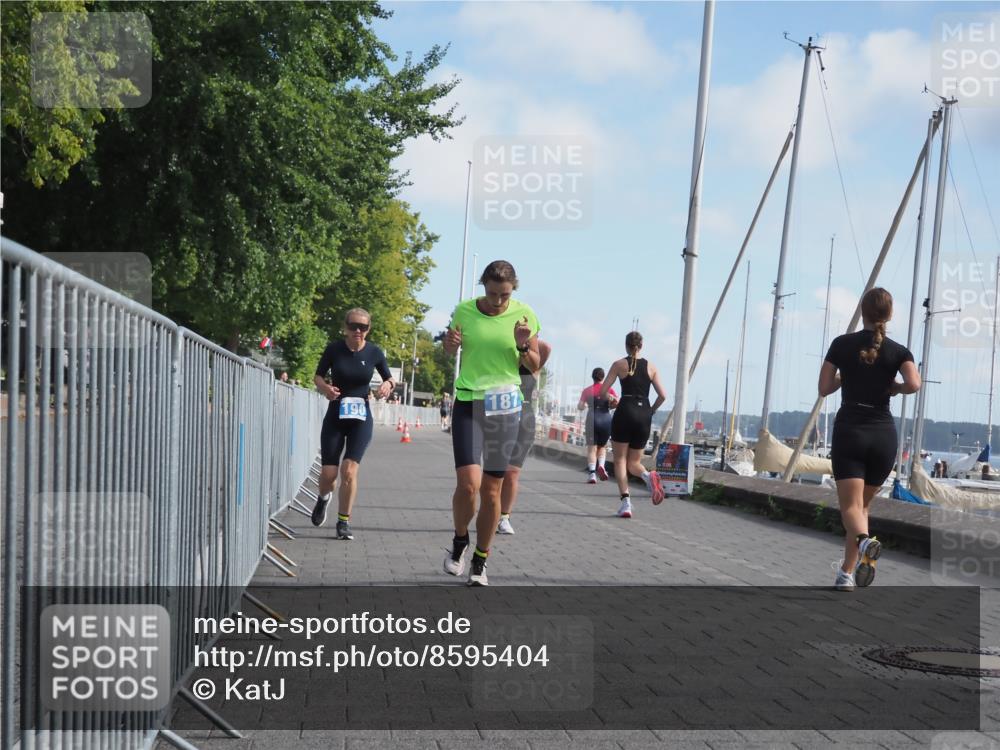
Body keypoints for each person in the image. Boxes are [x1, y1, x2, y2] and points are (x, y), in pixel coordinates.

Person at [442, 260, 540, 585]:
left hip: (505, 407)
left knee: (492, 490)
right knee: (468, 484)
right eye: (494, 293)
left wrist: (523, 343)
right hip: (469, 402)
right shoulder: (464, 311)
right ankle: (459, 542)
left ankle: (481, 561)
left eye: (505, 294)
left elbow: (535, 364)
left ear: (514, 289)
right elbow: (448, 349)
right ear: (484, 286)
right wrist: (449, 345)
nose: (499, 301)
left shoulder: (524, 314)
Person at [819, 288, 920, 591]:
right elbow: (914, 384)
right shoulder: (899, 351)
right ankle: (846, 574)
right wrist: (895, 388)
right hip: (883, 435)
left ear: (862, 311)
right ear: (889, 315)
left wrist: (845, 377)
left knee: (850, 508)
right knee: (861, 509)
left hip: (851, 429)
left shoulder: (841, 344)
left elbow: (824, 388)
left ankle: (864, 544)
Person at [311, 308, 396, 540]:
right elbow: (317, 376)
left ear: (369, 330)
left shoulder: (375, 352)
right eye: (353, 326)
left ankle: (343, 522)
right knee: (329, 474)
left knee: (349, 470)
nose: (358, 331)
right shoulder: (334, 349)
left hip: (361, 417)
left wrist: (387, 386)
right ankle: (323, 497)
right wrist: (325, 388)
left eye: (363, 327)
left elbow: (389, 378)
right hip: (336, 415)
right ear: (345, 327)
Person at [600, 331, 667, 518]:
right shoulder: (651, 367)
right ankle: (647, 476)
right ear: (641, 346)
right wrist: (651, 410)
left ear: (626, 345)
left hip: (625, 410)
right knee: (634, 463)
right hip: (644, 413)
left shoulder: (619, 365)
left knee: (620, 461)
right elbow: (662, 396)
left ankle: (626, 503)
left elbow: (603, 391)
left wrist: (613, 399)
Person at [497, 339, 552, 535]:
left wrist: (526, 341)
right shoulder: (504, 362)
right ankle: (490, 512)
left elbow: (547, 348)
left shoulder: (533, 365)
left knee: (512, 473)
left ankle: (504, 517)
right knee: (495, 472)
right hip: (499, 415)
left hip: (525, 418)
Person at [577, 368, 618, 484]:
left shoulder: (587, 390)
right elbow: (616, 403)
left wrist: (584, 406)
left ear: (592, 377)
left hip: (592, 417)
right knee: (602, 447)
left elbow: (580, 406)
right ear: (603, 377)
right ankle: (601, 466)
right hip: (606, 418)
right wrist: (611, 401)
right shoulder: (609, 389)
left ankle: (592, 474)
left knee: (591, 448)